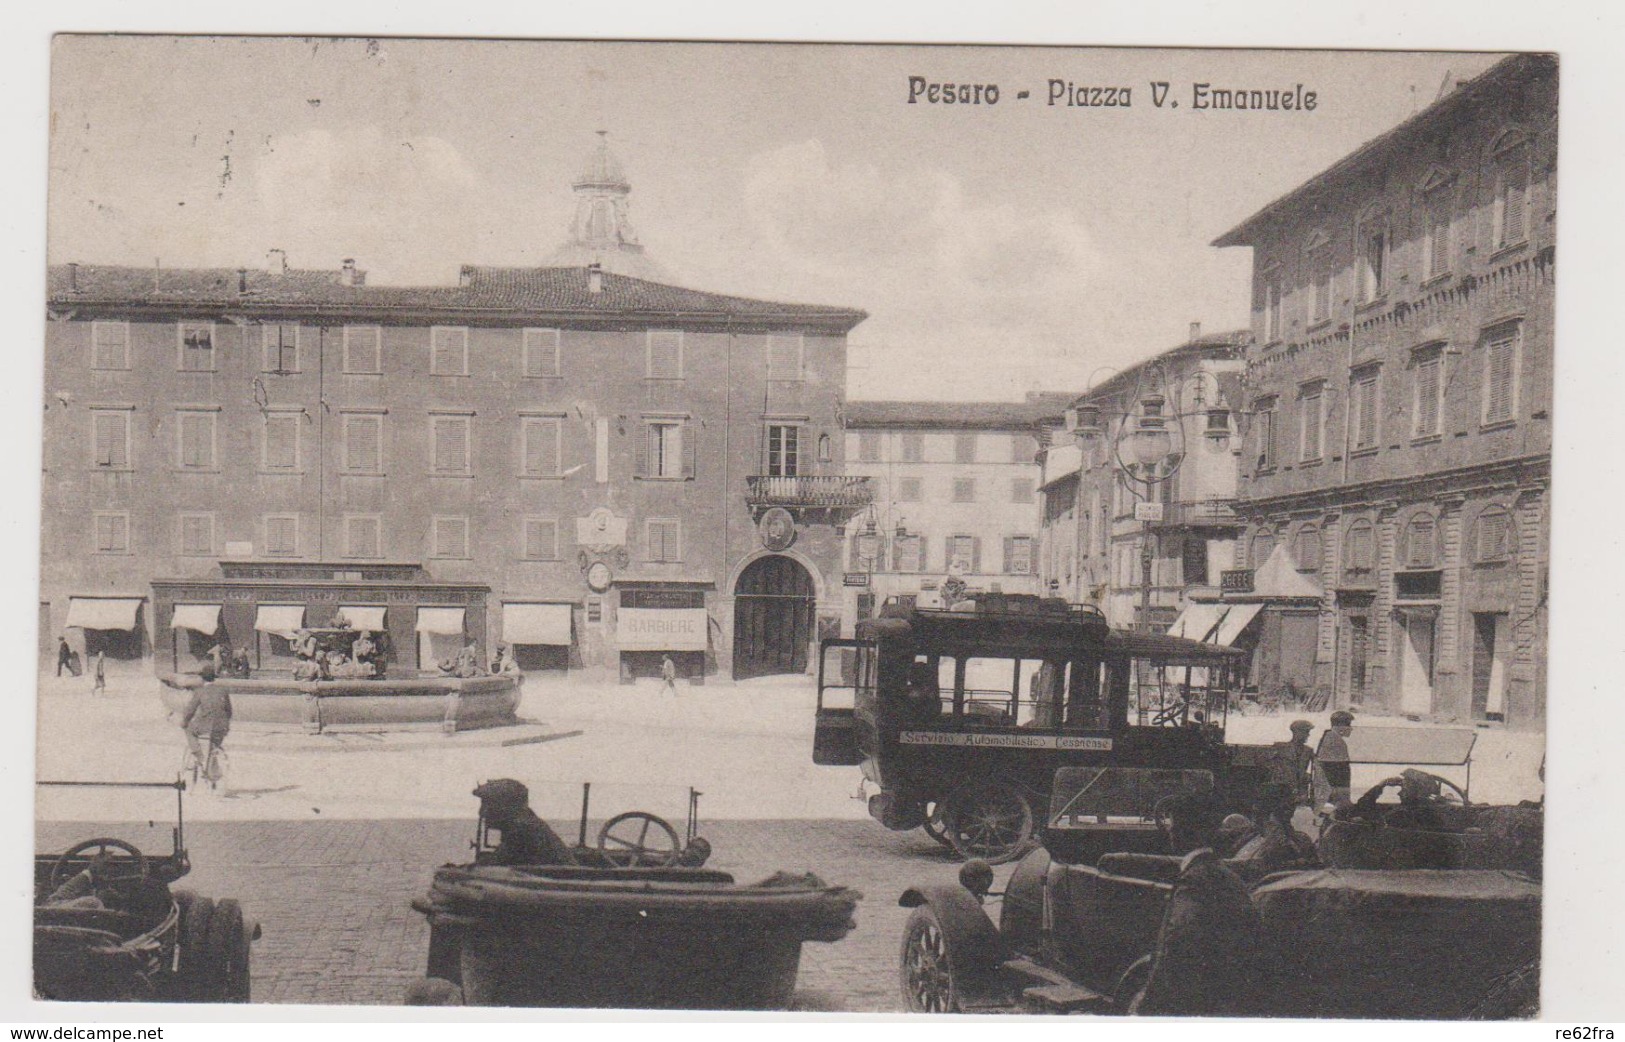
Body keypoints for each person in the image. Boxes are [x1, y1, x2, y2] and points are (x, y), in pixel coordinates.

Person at [472, 779, 577, 866]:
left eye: (488, 804)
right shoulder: (528, 824)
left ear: (507, 806)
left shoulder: (523, 830)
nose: (482, 812)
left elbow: (495, 863)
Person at [180, 678, 233, 791]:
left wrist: (184, 722)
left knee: (189, 730)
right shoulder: (223, 690)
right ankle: (212, 770)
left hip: (205, 726)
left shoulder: (200, 691)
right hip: (221, 727)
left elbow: (190, 710)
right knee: (214, 745)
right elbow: (229, 711)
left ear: (202, 679)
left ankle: (198, 753)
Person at [1271, 720, 1317, 806]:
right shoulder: (1281, 747)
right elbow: (1270, 764)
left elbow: (1315, 769)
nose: (1308, 735)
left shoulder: (1308, 750)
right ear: (1297, 732)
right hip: (1283, 787)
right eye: (1306, 732)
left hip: (1301, 789)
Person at [1315, 710, 1354, 806]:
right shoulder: (1334, 740)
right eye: (1348, 724)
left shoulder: (1332, 737)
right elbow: (1336, 768)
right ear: (1340, 725)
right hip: (1333, 790)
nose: (1351, 728)